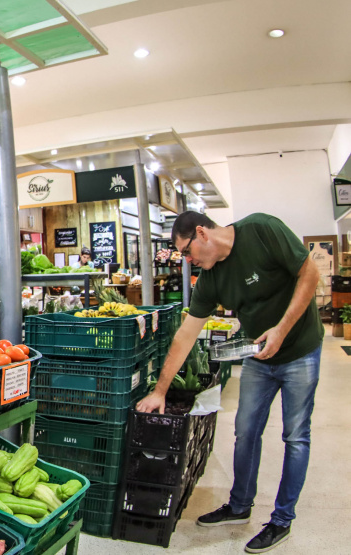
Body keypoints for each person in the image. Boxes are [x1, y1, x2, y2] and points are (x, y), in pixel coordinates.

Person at [136, 211, 322, 554]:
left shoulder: (262, 230)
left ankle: (282, 518)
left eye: (187, 252)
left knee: (295, 436)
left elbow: (310, 272)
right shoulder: (210, 279)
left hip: (300, 350)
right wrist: (160, 390)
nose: (187, 261)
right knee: (246, 431)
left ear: (202, 233)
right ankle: (239, 506)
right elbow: (186, 335)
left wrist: (281, 330)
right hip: (258, 356)